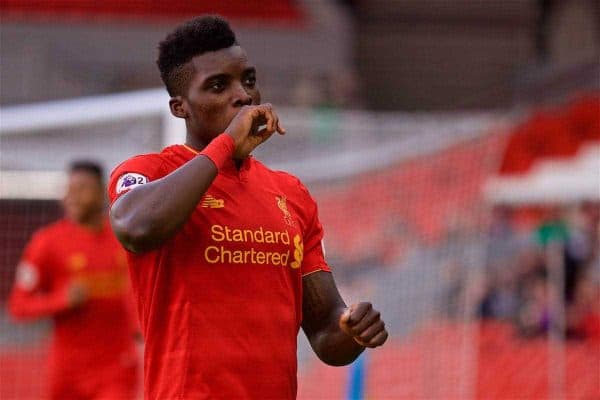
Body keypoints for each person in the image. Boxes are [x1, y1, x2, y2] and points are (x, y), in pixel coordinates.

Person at [109, 15, 388, 399]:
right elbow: (136, 229)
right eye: (218, 86)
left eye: (249, 81)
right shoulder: (149, 173)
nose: (242, 96)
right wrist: (225, 146)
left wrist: (353, 330)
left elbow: (325, 334)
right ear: (180, 108)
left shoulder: (291, 194)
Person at [8, 161, 139, 400]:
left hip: (116, 366)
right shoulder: (47, 243)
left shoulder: (125, 238)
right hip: (67, 370)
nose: (72, 196)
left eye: (82, 188)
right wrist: (61, 300)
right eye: (69, 189)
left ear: (102, 191)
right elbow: (18, 306)